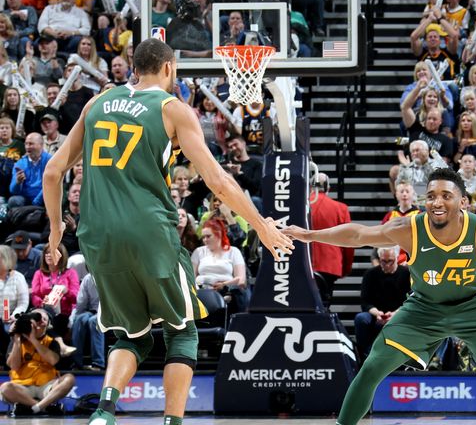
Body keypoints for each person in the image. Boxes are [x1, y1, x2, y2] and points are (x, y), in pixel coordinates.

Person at [42, 38, 293, 425]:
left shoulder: (97, 103)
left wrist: (57, 232)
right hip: (149, 229)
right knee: (183, 332)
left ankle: (104, 413)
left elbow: (52, 172)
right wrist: (260, 225)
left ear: (133, 66)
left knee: (134, 336)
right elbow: (218, 181)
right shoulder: (172, 109)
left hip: (96, 236)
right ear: (169, 69)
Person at [284, 168, 476, 425]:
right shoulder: (409, 229)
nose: (437, 202)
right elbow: (358, 235)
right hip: (424, 308)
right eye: (431, 196)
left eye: (446, 195)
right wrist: (308, 235)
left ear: (463, 202)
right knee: (372, 366)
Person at [0, 308, 76, 415]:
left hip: (46, 385)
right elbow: (14, 366)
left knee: (69, 378)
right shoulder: (18, 341)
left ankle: (35, 406)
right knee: (5, 388)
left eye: (43, 319)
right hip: (22, 386)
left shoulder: (52, 342)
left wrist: (33, 340)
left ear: (48, 325)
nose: (39, 322)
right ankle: (43, 406)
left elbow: (53, 360)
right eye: (36, 318)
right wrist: (17, 341)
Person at [354, 246, 411, 361]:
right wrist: (377, 313)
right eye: (383, 261)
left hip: (399, 314)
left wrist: (395, 314)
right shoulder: (370, 274)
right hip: (376, 313)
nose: (386, 265)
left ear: (396, 258)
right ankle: (367, 357)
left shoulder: (406, 274)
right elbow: (365, 302)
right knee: (361, 318)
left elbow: (411, 302)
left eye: (390, 261)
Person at [310, 173, 354, 309]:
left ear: (311, 187)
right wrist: (346, 267)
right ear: (328, 188)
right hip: (329, 264)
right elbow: (349, 240)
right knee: (325, 303)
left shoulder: (299, 206)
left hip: (302, 262)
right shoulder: (340, 208)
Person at [71, 272, 105, 371]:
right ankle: (77, 363)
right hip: (93, 310)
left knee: (94, 321)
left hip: (113, 312)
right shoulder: (88, 278)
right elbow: (81, 303)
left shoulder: (114, 276)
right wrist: (73, 318)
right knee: (79, 319)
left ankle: (98, 364)